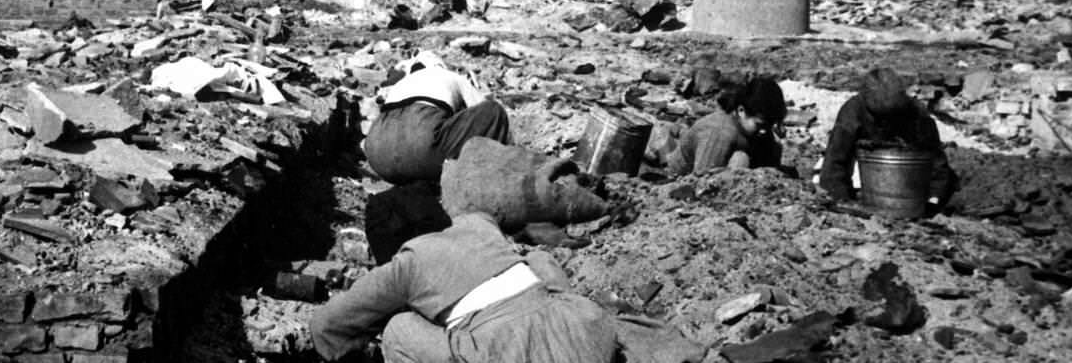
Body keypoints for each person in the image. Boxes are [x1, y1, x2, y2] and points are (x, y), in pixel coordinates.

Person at [303, 209, 618, 363]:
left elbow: (327, 326)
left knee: (400, 329)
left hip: (505, 351)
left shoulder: (409, 261)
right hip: (582, 334)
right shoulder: (479, 226)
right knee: (537, 262)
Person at [817, 68, 957, 212]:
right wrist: (842, 200)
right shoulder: (853, 112)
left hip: (907, 182)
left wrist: (933, 198)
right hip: (865, 171)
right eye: (881, 118)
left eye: (892, 118)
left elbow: (935, 160)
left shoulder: (916, 113)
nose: (886, 123)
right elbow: (835, 162)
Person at [362, 53, 511, 185]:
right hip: (421, 143)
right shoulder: (450, 76)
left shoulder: (400, 84)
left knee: (424, 149)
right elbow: (481, 108)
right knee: (493, 111)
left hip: (378, 156)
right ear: (439, 65)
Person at [666, 78, 788, 175]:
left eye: (769, 125)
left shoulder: (758, 131)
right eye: (759, 124)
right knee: (740, 159)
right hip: (679, 182)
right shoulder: (719, 132)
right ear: (741, 111)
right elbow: (702, 178)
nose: (764, 131)